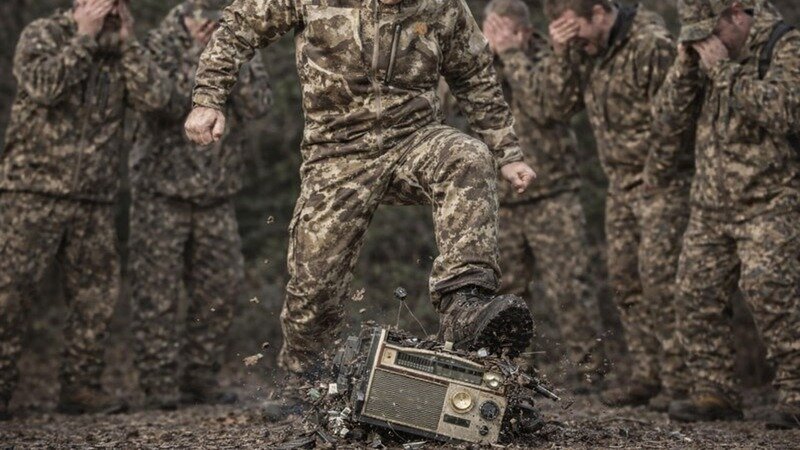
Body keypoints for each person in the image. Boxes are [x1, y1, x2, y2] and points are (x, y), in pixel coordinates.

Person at [184, 0, 538, 398]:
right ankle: (304, 379)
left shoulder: (441, 5)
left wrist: (507, 153)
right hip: (337, 152)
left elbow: (473, 72)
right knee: (314, 290)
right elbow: (238, 28)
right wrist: (208, 99)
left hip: (414, 138)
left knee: (468, 157)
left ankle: (465, 304)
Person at [0, 0, 171, 420]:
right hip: (32, 192)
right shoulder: (44, 34)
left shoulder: (121, 50)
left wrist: (129, 45)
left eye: (118, 6)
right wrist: (83, 38)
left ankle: (80, 387)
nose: (111, 12)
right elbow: (43, 86)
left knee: (95, 298)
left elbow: (157, 100)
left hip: (95, 198)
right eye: (103, 4)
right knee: (10, 294)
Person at [541, 0, 695, 410]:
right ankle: (648, 375)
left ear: (598, 12)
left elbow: (676, 118)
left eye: (574, 29)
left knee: (662, 280)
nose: (573, 39)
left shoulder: (651, 44)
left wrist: (655, 177)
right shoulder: (589, 48)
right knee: (626, 280)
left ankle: (682, 382)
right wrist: (562, 53)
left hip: (661, 181)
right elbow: (556, 107)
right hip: (620, 184)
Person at [654, 0, 800, 429]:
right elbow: (665, 121)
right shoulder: (707, 56)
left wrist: (724, 72)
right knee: (694, 293)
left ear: (737, 13)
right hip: (711, 204)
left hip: (771, 199)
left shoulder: (785, 44)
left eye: (710, 32)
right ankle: (713, 389)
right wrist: (685, 68)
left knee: (772, 292)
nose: (706, 43)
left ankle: (796, 393)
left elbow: (786, 111)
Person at [129, 0, 272, 411]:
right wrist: (197, 57)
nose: (207, 22)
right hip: (161, 192)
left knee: (219, 290)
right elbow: (158, 102)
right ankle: (158, 385)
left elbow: (259, 104)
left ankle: (201, 379)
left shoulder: (240, 43)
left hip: (216, 194)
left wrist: (229, 60)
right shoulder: (159, 43)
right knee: (156, 292)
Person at [481, 0, 606, 392]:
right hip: (502, 197)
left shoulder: (551, 54)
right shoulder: (481, 65)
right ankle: (510, 374)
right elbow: (452, 104)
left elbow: (550, 107)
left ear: (521, 31)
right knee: (506, 292)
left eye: (498, 30)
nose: (491, 37)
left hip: (553, 192)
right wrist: (487, 58)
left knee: (571, 285)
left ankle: (590, 373)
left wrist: (512, 55)